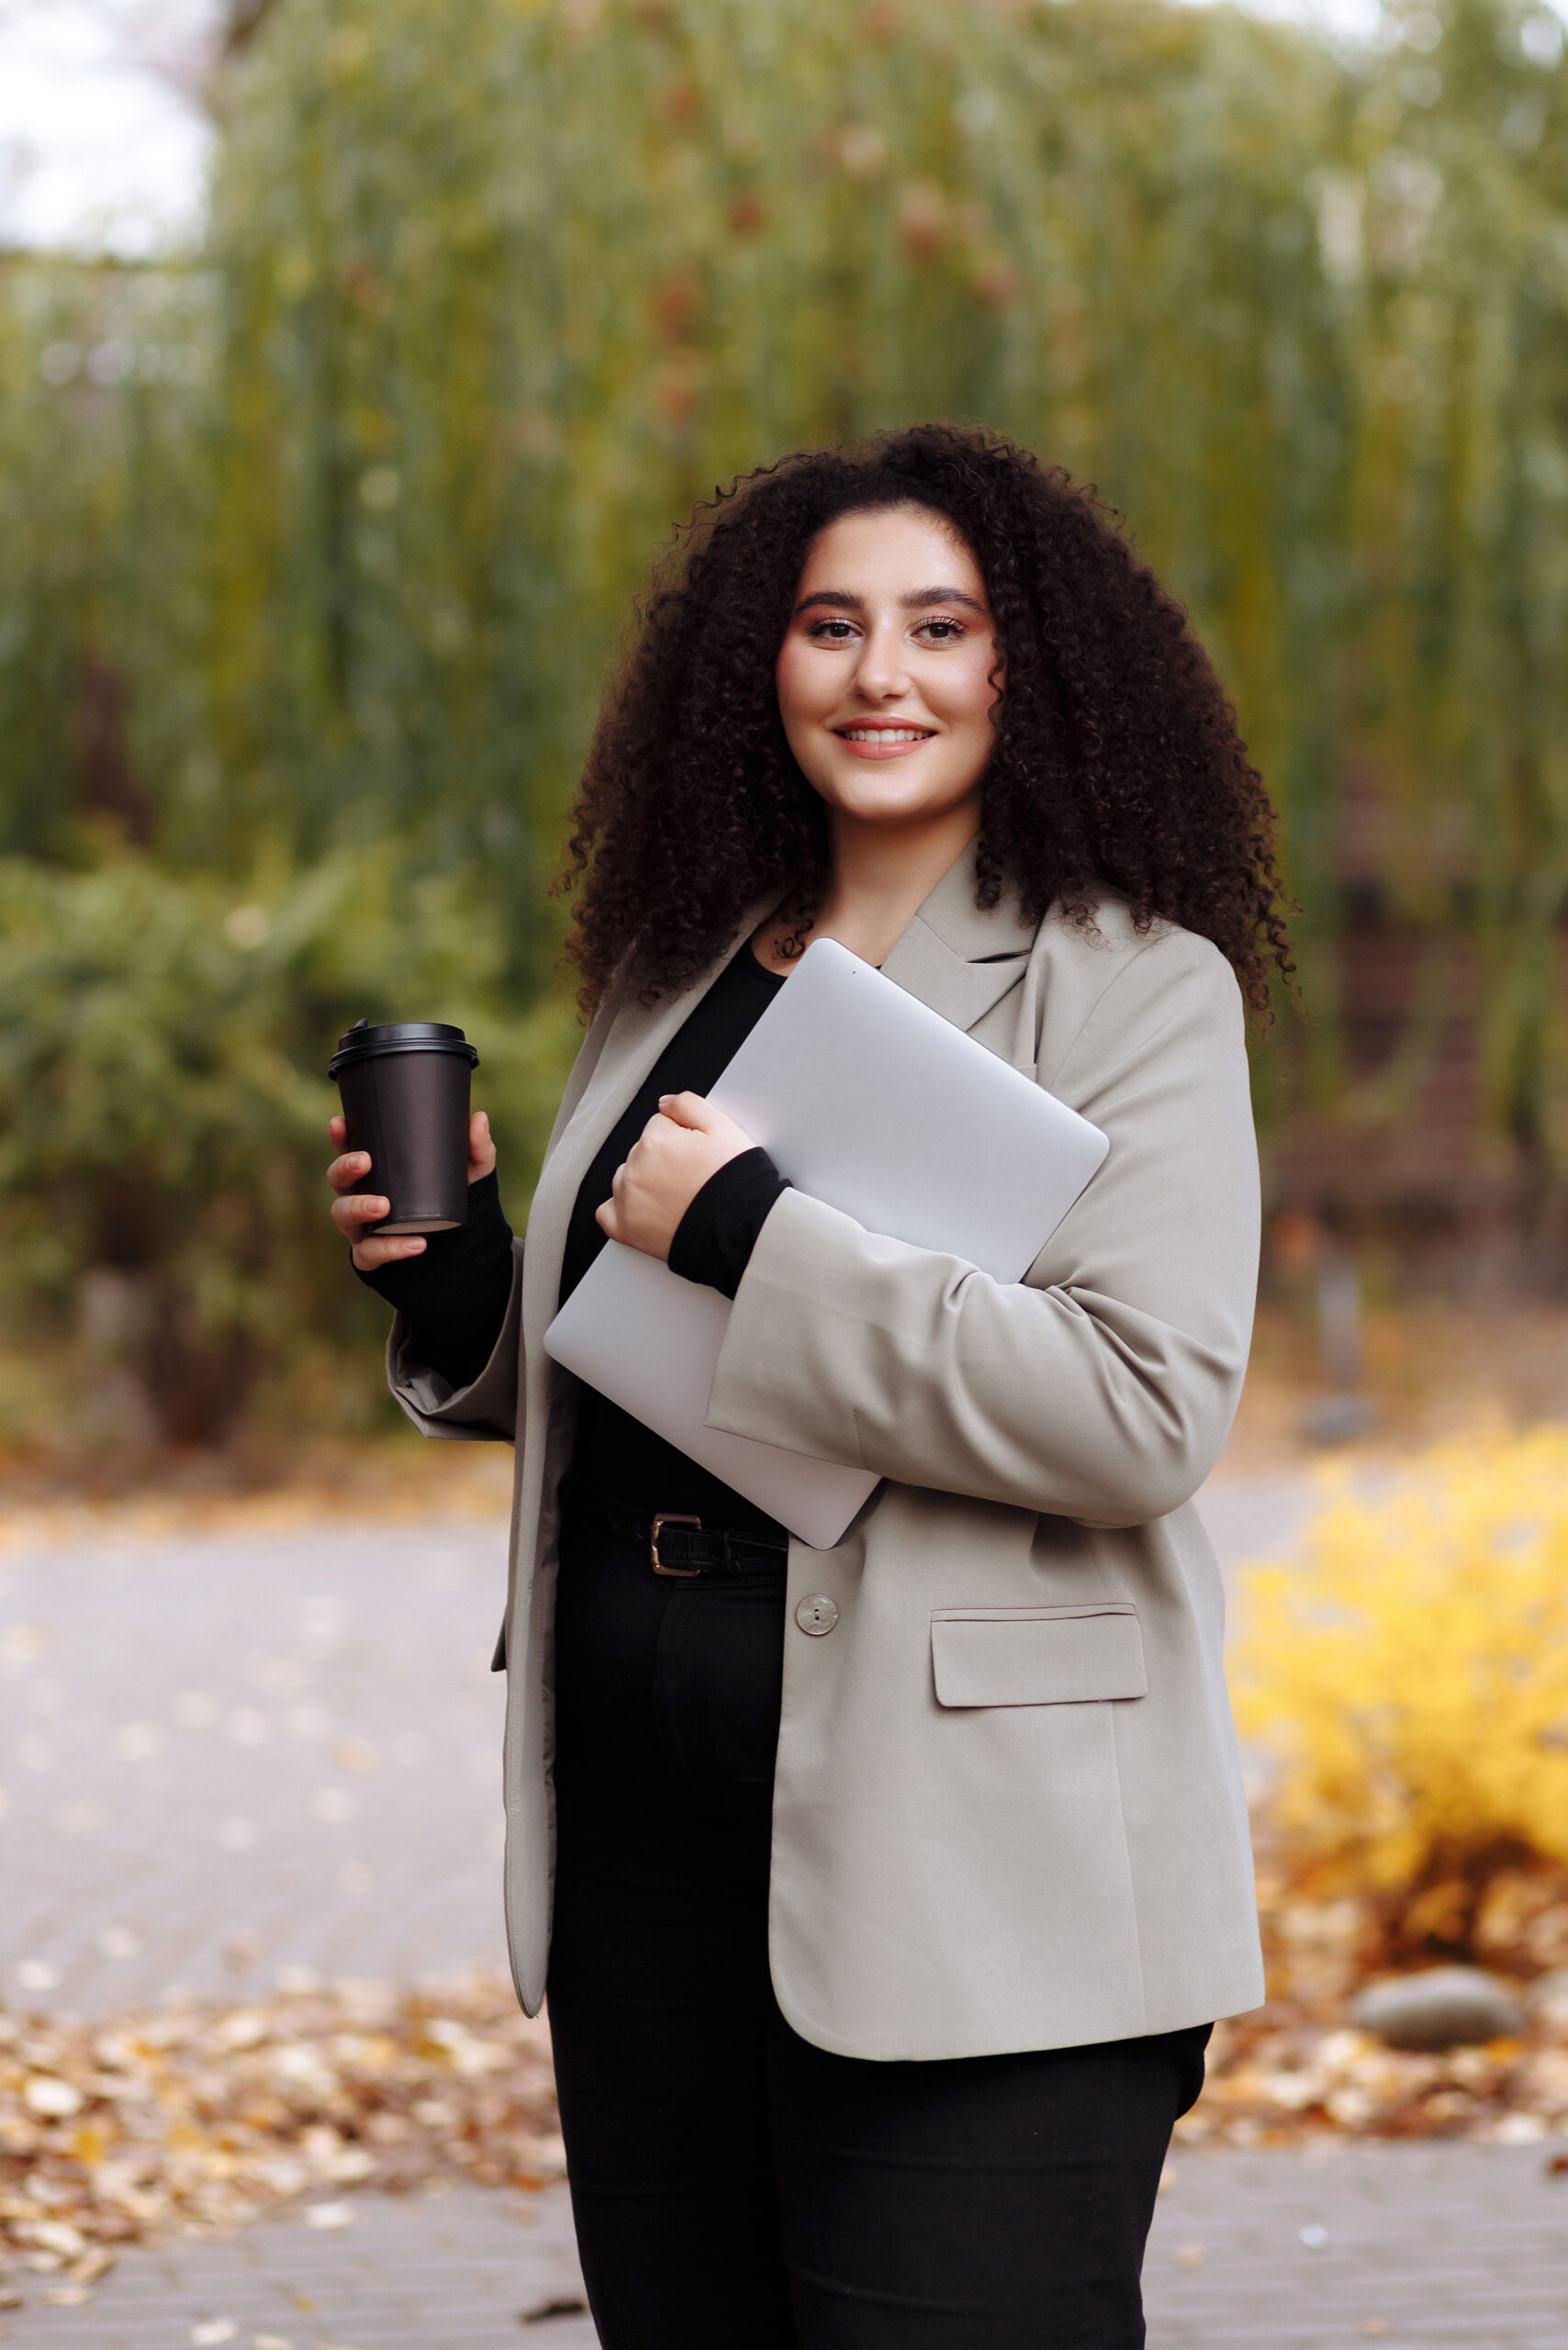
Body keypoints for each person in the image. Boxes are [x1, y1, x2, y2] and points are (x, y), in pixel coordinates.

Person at [327, 423, 1290, 2347]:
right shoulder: (683, 964)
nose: (880, 674)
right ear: (754, 666)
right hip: (643, 1843)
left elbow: (1135, 1409)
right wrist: (461, 1298)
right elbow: (663, 1362)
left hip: (976, 1850)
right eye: (828, 625)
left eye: (939, 625)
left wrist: (755, 1231)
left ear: (1026, 662)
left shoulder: (1129, 983)